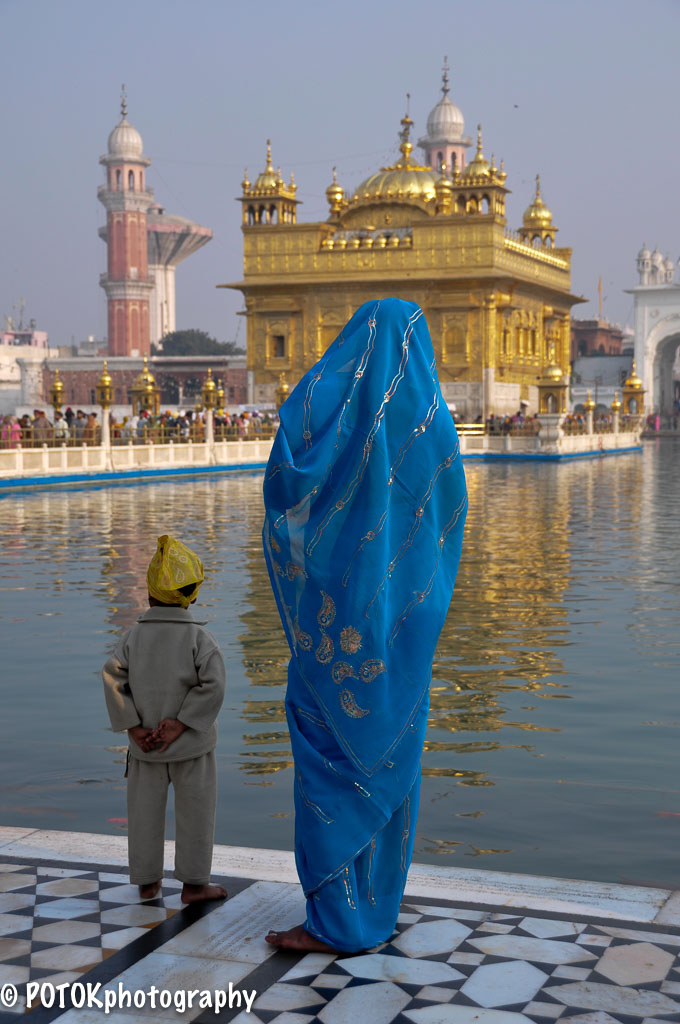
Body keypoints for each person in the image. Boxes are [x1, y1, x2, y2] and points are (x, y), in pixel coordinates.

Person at [262, 298, 467, 953]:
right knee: (386, 764)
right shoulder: (432, 424)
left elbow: (287, 478)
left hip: (334, 630)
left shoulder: (330, 414)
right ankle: (372, 914)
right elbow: (448, 522)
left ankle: (334, 922)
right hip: (403, 629)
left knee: (330, 766)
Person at [102, 535, 227, 904]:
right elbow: (214, 685)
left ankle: (147, 882)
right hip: (192, 747)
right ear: (191, 595)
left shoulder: (132, 637)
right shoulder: (201, 639)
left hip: (145, 748)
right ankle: (193, 885)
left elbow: (112, 677)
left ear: (150, 593)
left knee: (143, 816)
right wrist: (182, 722)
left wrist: (134, 726)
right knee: (196, 814)